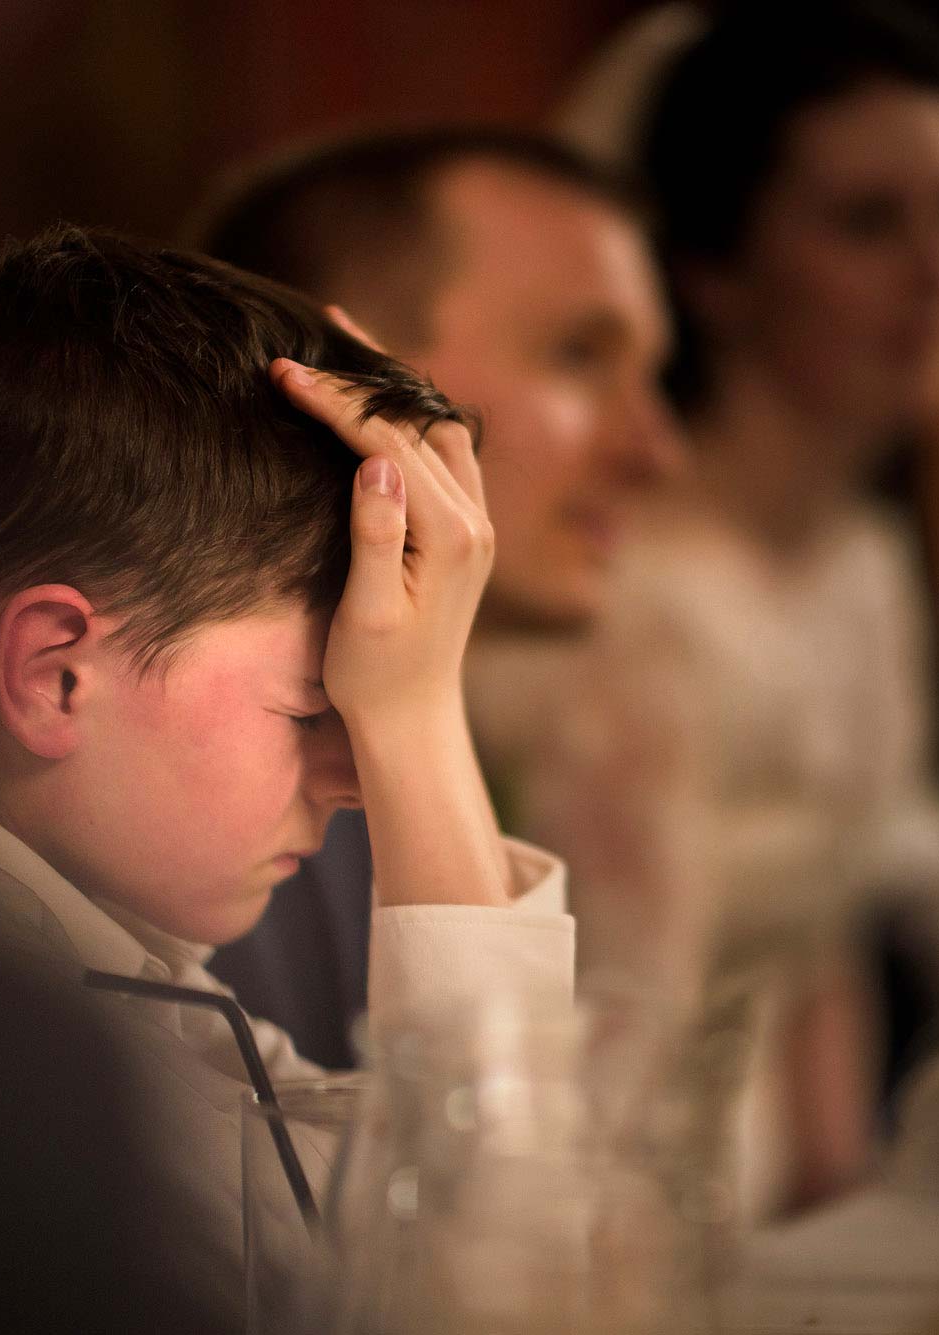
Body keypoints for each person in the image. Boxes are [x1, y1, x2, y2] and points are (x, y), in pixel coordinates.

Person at [0, 225, 573, 1322]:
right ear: (58, 675)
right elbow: (501, 1296)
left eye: (373, 707)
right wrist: (421, 720)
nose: (359, 782)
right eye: (318, 707)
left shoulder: (88, 945)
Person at [503, 0, 939, 1217]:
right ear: (713, 271)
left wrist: (838, 1200)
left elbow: (825, 934)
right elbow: (618, 1031)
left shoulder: (861, 559)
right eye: (868, 222)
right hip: (629, 1191)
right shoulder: (641, 604)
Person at [191, 130, 682, 1057]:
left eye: (653, 377)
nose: (658, 450)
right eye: (579, 355)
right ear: (343, 372)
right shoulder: (216, 813)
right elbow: (475, 1189)